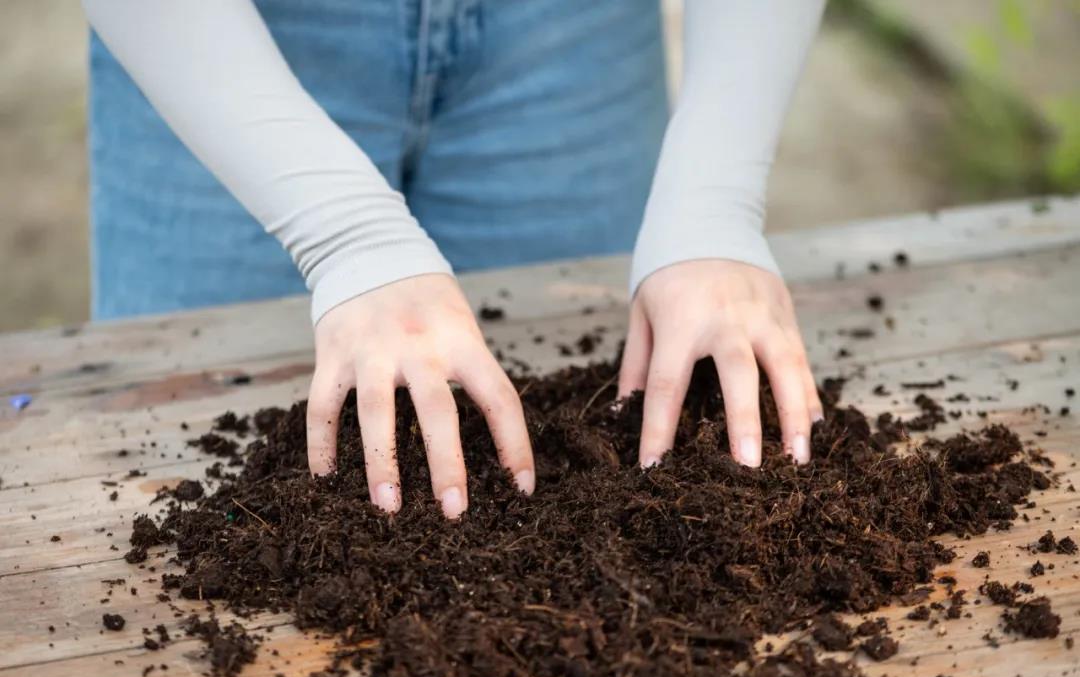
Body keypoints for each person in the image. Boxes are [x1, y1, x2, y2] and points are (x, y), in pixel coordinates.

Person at [83, 0, 825, 519]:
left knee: (603, 375)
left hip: (572, 36)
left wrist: (712, 195)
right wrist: (348, 236)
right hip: (217, 35)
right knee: (175, 439)